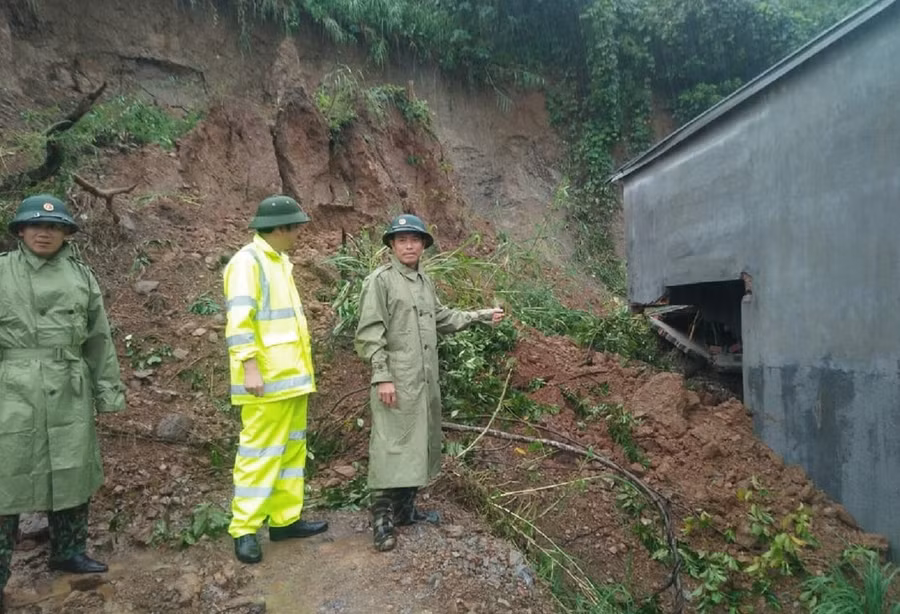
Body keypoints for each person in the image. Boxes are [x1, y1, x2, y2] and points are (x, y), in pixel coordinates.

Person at [0, 194, 125, 610]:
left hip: (70, 386)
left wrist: (107, 392)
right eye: (35, 225)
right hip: (11, 390)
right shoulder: (1, 273)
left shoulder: (82, 278)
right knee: (6, 480)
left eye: (53, 227)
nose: (44, 232)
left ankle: (68, 551)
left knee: (73, 470)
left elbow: (99, 340)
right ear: (20, 231)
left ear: (67, 233)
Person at [355, 213, 504, 552]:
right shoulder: (380, 281)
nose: (409, 245)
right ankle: (381, 523)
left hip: (423, 383)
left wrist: (481, 316)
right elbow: (369, 334)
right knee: (389, 447)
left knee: (418, 444)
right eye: (402, 239)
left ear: (423, 245)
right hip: (395, 382)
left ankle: (406, 511)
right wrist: (382, 377)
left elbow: (443, 317)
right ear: (392, 245)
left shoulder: (424, 283)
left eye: (415, 239)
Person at [223, 195, 328, 564]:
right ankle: (245, 528)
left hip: (291, 380)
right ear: (280, 228)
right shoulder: (247, 263)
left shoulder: (279, 261)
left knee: (290, 451)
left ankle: (285, 520)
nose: (299, 232)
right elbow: (239, 322)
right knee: (259, 454)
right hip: (265, 382)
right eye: (295, 226)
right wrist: (249, 366)